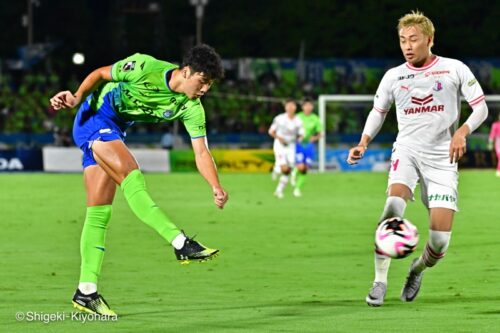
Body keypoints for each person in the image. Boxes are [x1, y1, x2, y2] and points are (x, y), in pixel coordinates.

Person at [50, 44, 229, 316]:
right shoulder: (144, 67)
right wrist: (76, 97)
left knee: (99, 213)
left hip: (116, 129)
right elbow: (100, 73)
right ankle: (180, 242)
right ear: (186, 71)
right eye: (203, 82)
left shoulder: (192, 108)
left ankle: (86, 291)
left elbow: (202, 152)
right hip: (94, 117)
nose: (205, 90)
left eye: (210, 85)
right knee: (131, 173)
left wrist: (215, 186)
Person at [346, 10, 488, 307]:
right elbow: (378, 112)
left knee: (439, 243)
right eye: (402, 40)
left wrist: (462, 131)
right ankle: (379, 281)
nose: (407, 46)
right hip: (407, 151)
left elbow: (481, 108)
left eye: (413, 39)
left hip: (442, 159)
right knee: (392, 207)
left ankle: (417, 269)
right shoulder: (394, 76)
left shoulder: (454, 69)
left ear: (430, 39)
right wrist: (364, 141)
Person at [268, 99, 304, 198]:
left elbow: (301, 134)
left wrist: (299, 140)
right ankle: (277, 168)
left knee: (289, 168)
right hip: (280, 145)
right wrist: (279, 138)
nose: (290, 108)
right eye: (288, 106)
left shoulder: (298, 121)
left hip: (291, 145)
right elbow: (271, 131)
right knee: (284, 168)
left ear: (295, 107)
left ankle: (279, 190)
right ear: (285, 107)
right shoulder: (279, 119)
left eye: (292, 106)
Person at [291, 97, 322, 197]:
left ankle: (297, 189)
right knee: (300, 166)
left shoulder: (315, 119)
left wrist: (315, 137)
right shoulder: (297, 117)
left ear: (312, 107)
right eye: (306, 105)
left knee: (305, 169)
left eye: (310, 105)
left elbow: (320, 133)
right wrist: (296, 137)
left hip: (309, 145)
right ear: (302, 107)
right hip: (298, 145)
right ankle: (294, 172)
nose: (308, 107)